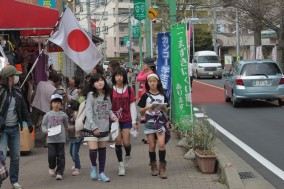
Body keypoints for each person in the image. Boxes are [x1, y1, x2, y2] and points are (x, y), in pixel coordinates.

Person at [0, 65, 33, 189]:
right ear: (8, 77)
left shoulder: (17, 91)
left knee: (16, 157)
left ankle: (14, 181)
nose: (16, 78)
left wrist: (29, 123)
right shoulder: (0, 91)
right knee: (1, 156)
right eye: (14, 75)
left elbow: (24, 109)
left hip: (14, 129)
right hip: (2, 130)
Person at [83, 74, 118, 182]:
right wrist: (94, 127)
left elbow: (109, 109)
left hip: (104, 127)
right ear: (93, 84)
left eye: (101, 80)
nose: (100, 82)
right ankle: (94, 168)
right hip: (91, 128)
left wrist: (113, 116)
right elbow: (88, 112)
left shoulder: (107, 95)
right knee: (93, 150)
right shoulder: (91, 95)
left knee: (102, 151)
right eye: (97, 81)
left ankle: (102, 172)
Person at [137, 73, 170, 179]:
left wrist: (165, 110)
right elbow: (141, 112)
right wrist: (148, 108)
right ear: (147, 83)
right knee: (151, 145)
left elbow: (167, 110)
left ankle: (162, 168)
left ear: (158, 82)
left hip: (160, 121)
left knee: (161, 144)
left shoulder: (163, 95)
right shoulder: (145, 96)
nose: (152, 83)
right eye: (150, 81)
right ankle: (153, 166)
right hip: (149, 122)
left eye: (154, 81)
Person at [111, 67, 138, 176]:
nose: (119, 77)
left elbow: (132, 105)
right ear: (114, 77)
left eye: (121, 75)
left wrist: (134, 121)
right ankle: (120, 165)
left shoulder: (129, 89)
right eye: (117, 75)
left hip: (126, 119)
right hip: (114, 120)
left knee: (126, 142)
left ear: (124, 77)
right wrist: (112, 117)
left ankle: (127, 155)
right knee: (118, 140)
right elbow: (108, 106)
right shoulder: (110, 89)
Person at [41, 94, 69, 180]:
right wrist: (46, 131)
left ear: (61, 104)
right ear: (51, 104)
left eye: (58, 103)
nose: (56, 104)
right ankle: (52, 167)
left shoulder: (63, 115)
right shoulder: (47, 115)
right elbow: (43, 126)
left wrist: (65, 129)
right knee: (51, 155)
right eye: (54, 102)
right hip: (51, 139)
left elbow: (66, 125)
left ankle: (60, 172)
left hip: (60, 139)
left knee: (61, 156)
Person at [136, 57, 157, 144]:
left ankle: (151, 138)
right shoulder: (150, 73)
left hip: (149, 96)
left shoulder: (150, 74)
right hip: (148, 96)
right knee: (148, 117)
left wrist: (142, 71)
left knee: (148, 117)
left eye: (144, 64)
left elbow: (138, 78)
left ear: (148, 65)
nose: (143, 65)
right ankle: (149, 137)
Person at [66, 100, 83, 176]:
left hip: (77, 136)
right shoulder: (69, 113)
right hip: (71, 136)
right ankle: (76, 163)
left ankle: (77, 167)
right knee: (71, 152)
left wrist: (68, 127)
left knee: (74, 153)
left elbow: (77, 125)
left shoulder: (77, 114)